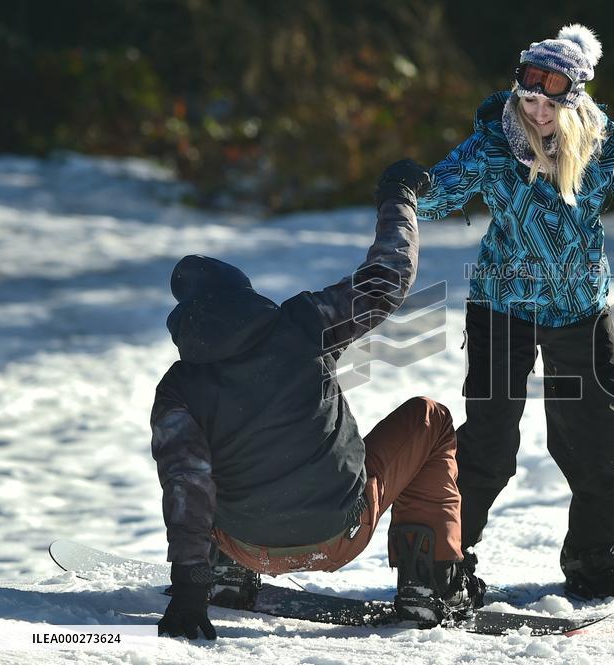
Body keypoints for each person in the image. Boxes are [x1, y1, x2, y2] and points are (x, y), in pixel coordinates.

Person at [416, 24, 614, 601]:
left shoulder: (608, 145)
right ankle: (443, 559)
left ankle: (595, 556)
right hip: (500, 308)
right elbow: (440, 191)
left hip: (578, 313)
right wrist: (404, 188)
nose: (536, 113)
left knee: (597, 444)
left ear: (574, 101)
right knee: (488, 446)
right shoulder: (495, 143)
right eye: (528, 99)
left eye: (548, 103)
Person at [152, 160, 484, 640]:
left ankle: (223, 571)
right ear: (246, 297)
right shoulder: (303, 325)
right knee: (429, 418)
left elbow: (187, 483)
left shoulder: (178, 387)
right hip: (341, 533)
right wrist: (398, 196)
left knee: (205, 458)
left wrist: (190, 586)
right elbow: (388, 276)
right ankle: (429, 587)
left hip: (244, 543)